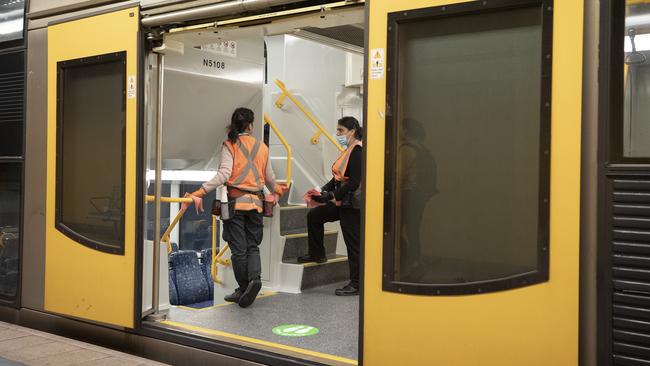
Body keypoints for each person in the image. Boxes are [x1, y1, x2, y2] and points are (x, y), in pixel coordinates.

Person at [184, 107, 286, 308]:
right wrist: (278, 191)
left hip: (235, 204)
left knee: (238, 249)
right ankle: (255, 279)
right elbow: (270, 178)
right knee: (252, 245)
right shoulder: (262, 147)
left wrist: (199, 192)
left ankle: (244, 287)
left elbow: (224, 175)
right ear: (251, 125)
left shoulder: (230, 145)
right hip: (256, 204)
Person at [299, 116, 363, 296]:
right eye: (337, 131)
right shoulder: (347, 150)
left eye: (341, 131)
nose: (338, 134)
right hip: (342, 201)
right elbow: (338, 178)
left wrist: (331, 196)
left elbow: (354, 182)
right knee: (314, 216)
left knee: (353, 245)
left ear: (352, 131)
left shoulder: (357, 151)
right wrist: (321, 190)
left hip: (351, 205)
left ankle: (356, 284)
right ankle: (317, 253)